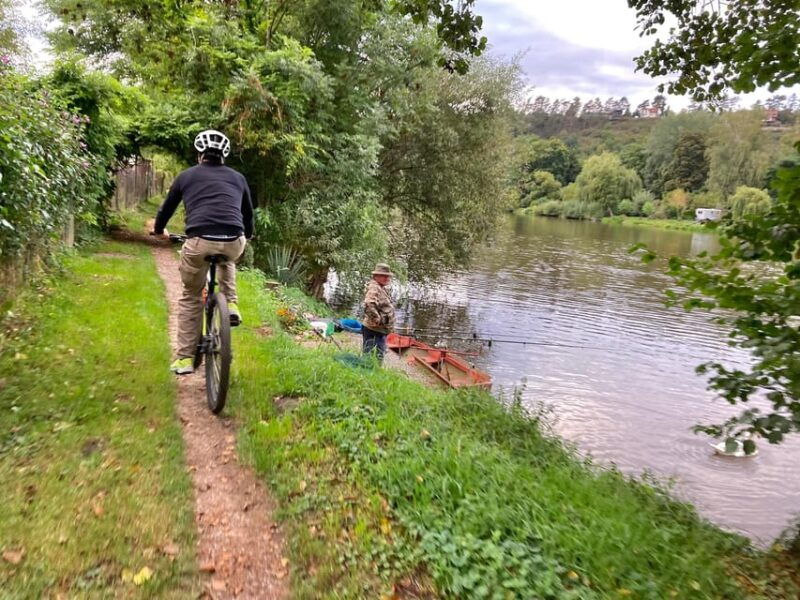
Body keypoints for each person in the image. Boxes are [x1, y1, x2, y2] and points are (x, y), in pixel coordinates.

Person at [151, 129, 254, 375]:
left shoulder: (186, 176)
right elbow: (248, 214)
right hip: (233, 241)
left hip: (199, 242)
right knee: (227, 258)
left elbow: (167, 209)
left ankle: (186, 358)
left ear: (200, 154)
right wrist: (246, 235)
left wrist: (158, 230)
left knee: (190, 295)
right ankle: (230, 304)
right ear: (224, 155)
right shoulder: (238, 178)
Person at [361, 263, 395, 363]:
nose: (387, 278)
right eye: (383, 276)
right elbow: (369, 304)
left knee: (374, 356)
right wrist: (377, 319)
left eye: (388, 276)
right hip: (374, 330)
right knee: (373, 358)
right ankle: (367, 374)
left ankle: (368, 373)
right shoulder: (374, 288)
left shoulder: (380, 287)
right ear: (376, 276)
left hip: (378, 330)